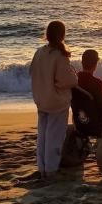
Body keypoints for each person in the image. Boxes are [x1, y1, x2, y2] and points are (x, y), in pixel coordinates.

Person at [29, 21, 78, 179]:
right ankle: (51, 170)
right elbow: (68, 81)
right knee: (54, 137)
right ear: (62, 35)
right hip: (56, 101)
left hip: (41, 98)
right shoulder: (60, 55)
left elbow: (32, 72)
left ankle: (42, 168)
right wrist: (74, 74)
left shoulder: (39, 52)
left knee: (42, 135)